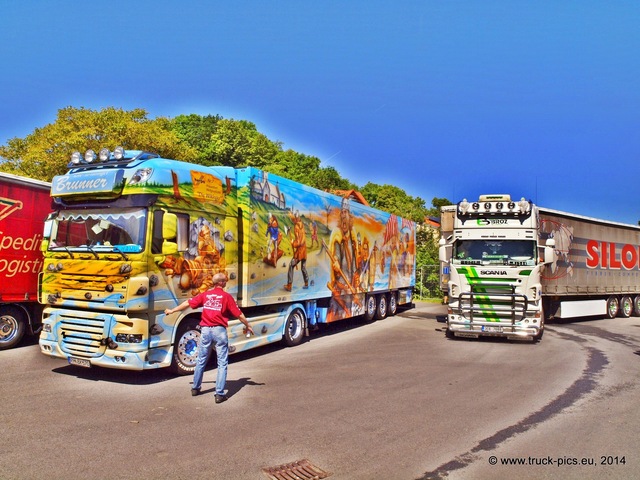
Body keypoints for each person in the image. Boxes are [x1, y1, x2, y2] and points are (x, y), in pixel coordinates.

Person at [164, 272, 254, 403]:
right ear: (222, 283)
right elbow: (239, 314)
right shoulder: (226, 297)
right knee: (222, 362)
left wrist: (172, 311)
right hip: (219, 331)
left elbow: (188, 303)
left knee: (201, 359)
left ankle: (195, 388)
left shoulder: (205, 295)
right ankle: (219, 394)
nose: (226, 283)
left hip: (205, 330)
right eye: (225, 281)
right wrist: (248, 325)